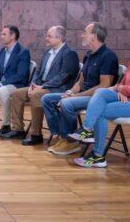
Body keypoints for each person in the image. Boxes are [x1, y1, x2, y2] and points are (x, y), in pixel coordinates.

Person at [68, 28, 130, 168]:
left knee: (101, 112)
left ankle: (98, 156)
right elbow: (125, 83)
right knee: (101, 92)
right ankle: (87, 130)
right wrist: (122, 89)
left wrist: (121, 89)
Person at [44, 23, 119, 156]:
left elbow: (104, 86)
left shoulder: (108, 56)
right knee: (47, 99)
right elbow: (80, 81)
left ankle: (71, 142)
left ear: (94, 36)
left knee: (67, 103)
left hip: (96, 98)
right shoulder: (89, 55)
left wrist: (76, 96)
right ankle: (62, 136)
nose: (82, 35)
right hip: (83, 94)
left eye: (85, 32)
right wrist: (71, 92)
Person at [1, 26, 79, 146]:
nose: (46, 38)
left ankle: (36, 134)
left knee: (36, 95)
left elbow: (63, 76)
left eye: (49, 36)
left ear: (60, 38)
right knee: (17, 94)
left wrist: (42, 87)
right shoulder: (47, 52)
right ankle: (18, 129)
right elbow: (38, 71)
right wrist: (34, 84)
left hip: (57, 88)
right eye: (47, 35)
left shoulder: (69, 53)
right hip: (41, 86)